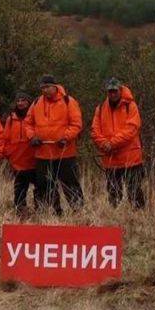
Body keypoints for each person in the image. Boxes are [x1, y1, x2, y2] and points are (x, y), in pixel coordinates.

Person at [28, 75, 84, 213]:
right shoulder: (36, 103)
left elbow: (76, 124)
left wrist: (66, 137)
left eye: (47, 87)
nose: (45, 90)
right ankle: (55, 211)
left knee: (70, 183)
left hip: (65, 153)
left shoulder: (68, 101)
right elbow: (28, 124)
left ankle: (78, 211)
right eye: (42, 88)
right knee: (46, 184)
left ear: (55, 86)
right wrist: (32, 137)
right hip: (43, 154)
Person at [91, 78, 145, 209]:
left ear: (120, 90)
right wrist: (104, 143)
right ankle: (115, 217)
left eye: (115, 91)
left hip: (130, 158)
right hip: (111, 159)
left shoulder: (130, 106)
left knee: (134, 191)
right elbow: (94, 130)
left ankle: (140, 217)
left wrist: (112, 143)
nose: (112, 94)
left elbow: (132, 129)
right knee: (113, 192)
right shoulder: (101, 108)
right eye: (110, 91)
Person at [0, 91, 36, 215]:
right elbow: (5, 138)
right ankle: (20, 210)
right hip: (18, 162)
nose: (20, 103)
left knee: (40, 187)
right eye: (18, 101)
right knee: (20, 188)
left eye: (23, 100)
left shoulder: (35, 117)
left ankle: (41, 209)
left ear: (29, 102)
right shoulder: (11, 119)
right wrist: (7, 153)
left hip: (34, 160)